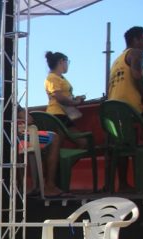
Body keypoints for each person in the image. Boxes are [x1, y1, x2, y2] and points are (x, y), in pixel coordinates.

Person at [43, 51, 88, 195]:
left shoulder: (60, 78)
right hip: (56, 116)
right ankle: (50, 184)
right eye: (67, 61)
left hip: (65, 117)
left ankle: (60, 171)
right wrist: (76, 101)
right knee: (55, 149)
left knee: (84, 143)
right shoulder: (52, 78)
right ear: (62, 61)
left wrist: (76, 99)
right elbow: (60, 98)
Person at [108, 26, 143, 191]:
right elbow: (137, 76)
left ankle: (121, 184)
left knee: (120, 146)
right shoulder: (137, 53)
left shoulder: (117, 60)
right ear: (136, 40)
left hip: (112, 111)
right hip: (130, 109)